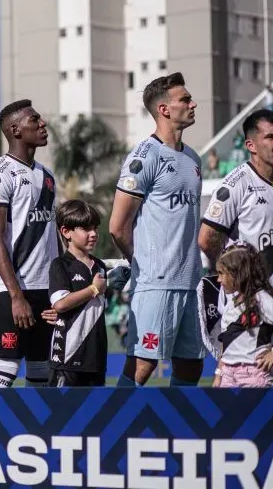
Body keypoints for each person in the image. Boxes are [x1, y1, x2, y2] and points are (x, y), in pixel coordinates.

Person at [109, 72, 205, 387]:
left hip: (191, 280)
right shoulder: (144, 157)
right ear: (164, 109)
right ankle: (113, 431)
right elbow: (117, 227)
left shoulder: (192, 158)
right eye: (185, 100)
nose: (193, 104)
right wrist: (142, 263)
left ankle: (180, 434)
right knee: (143, 365)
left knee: (191, 367)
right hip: (156, 282)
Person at [0, 100, 59, 388]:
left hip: (46, 288)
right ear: (15, 130)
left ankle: (36, 431)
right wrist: (16, 296)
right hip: (13, 289)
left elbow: (51, 236)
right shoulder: (0, 174)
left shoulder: (47, 176)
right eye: (34, 120)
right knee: (5, 370)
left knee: (41, 369)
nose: (42, 124)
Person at [199, 110, 273, 281]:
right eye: (271, 137)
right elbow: (206, 240)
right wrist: (236, 277)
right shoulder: (235, 185)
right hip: (251, 301)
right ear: (251, 145)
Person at [48, 200, 108, 386]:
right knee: (60, 413)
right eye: (86, 229)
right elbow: (61, 304)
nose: (93, 234)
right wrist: (93, 289)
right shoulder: (60, 265)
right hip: (68, 355)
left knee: (96, 414)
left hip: (96, 358)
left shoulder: (100, 266)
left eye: (95, 228)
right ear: (66, 232)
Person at [211, 243, 273, 388]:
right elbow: (226, 345)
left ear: (237, 273)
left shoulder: (261, 300)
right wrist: (219, 375)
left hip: (255, 375)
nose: (218, 280)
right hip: (228, 376)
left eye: (221, 273)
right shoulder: (231, 302)